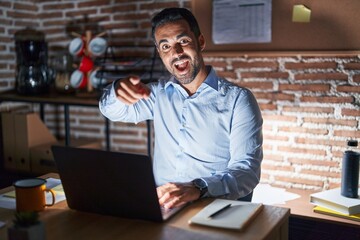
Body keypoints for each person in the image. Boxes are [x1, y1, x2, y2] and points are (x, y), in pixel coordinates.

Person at [99, 8, 263, 209]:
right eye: (165, 46)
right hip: (162, 205)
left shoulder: (239, 100)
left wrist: (199, 188)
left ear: (200, 42)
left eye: (183, 41)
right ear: (159, 53)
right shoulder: (158, 94)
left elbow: (246, 172)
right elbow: (112, 111)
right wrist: (116, 91)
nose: (176, 53)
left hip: (212, 207)